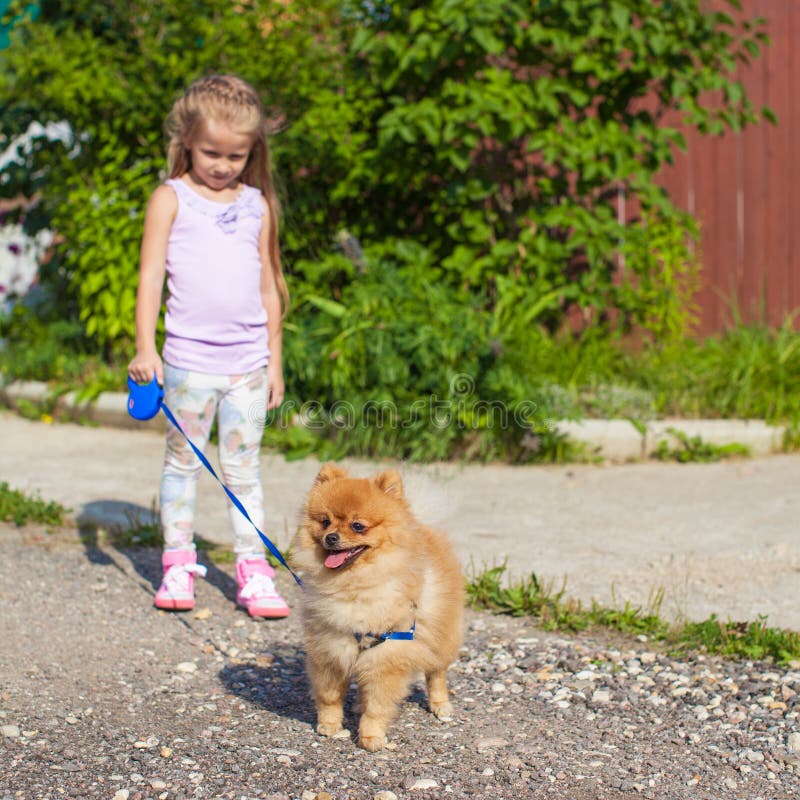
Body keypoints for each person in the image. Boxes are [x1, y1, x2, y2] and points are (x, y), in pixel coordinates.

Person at [128, 74, 290, 618]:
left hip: (248, 365)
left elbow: (269, 284)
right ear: (186, 141)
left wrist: (275, 362)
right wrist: (144, 348)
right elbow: (150, 277)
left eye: (236, 156)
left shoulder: (257, 205)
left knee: (244, 470)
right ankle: (177, 561)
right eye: (211, 152)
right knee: (182, 464)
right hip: (188, 364)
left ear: (252, 153)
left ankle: (254, 570)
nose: (223, 165)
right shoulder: (170, 199)